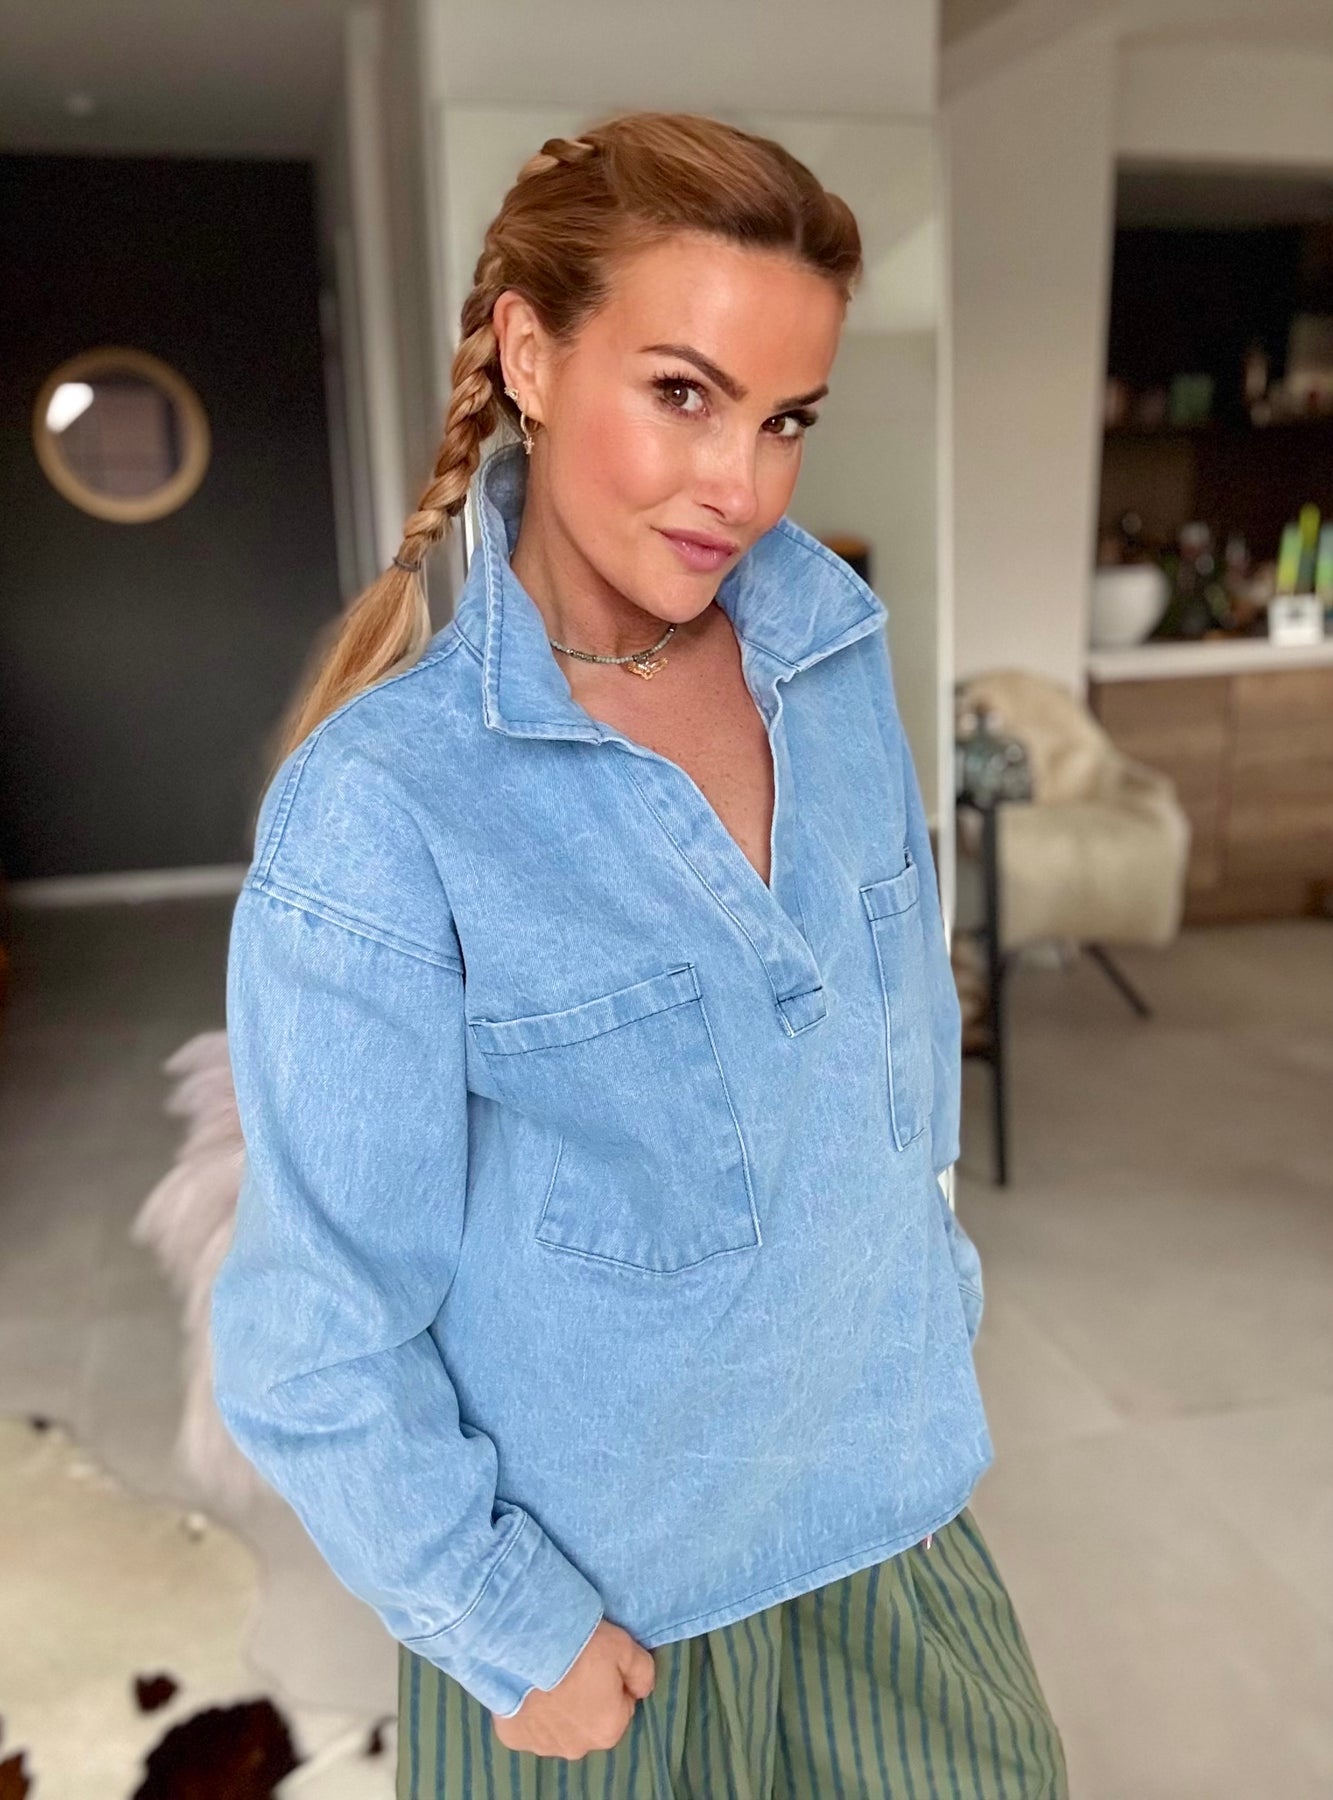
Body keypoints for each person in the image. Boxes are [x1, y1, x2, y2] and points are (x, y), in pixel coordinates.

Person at [210, 111, 1067, 1797]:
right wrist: (501, 1622)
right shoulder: (386, 808)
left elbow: (898, 1084)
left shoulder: (832, 668)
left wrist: (923, 1325)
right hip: (605, 1628)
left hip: (895, 1536)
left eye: (786, 418)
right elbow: (315, 1328)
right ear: (530, 354)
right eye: (682, 393)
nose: (739, 484)